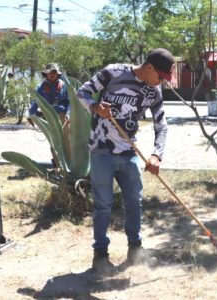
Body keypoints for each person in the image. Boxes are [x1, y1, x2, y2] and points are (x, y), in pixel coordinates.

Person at [77, 48, 174, 274]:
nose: (161, 82)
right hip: (101, 151)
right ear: (149, 67)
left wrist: (156, 155)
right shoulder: (113, 73)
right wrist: (95, 107)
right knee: (103, 205)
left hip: (130, 153)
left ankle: (135, 250)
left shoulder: (153, 91)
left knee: (134, 203)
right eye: (161, 76)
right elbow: (83, 92)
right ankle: (100, 255)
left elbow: (162, 125)